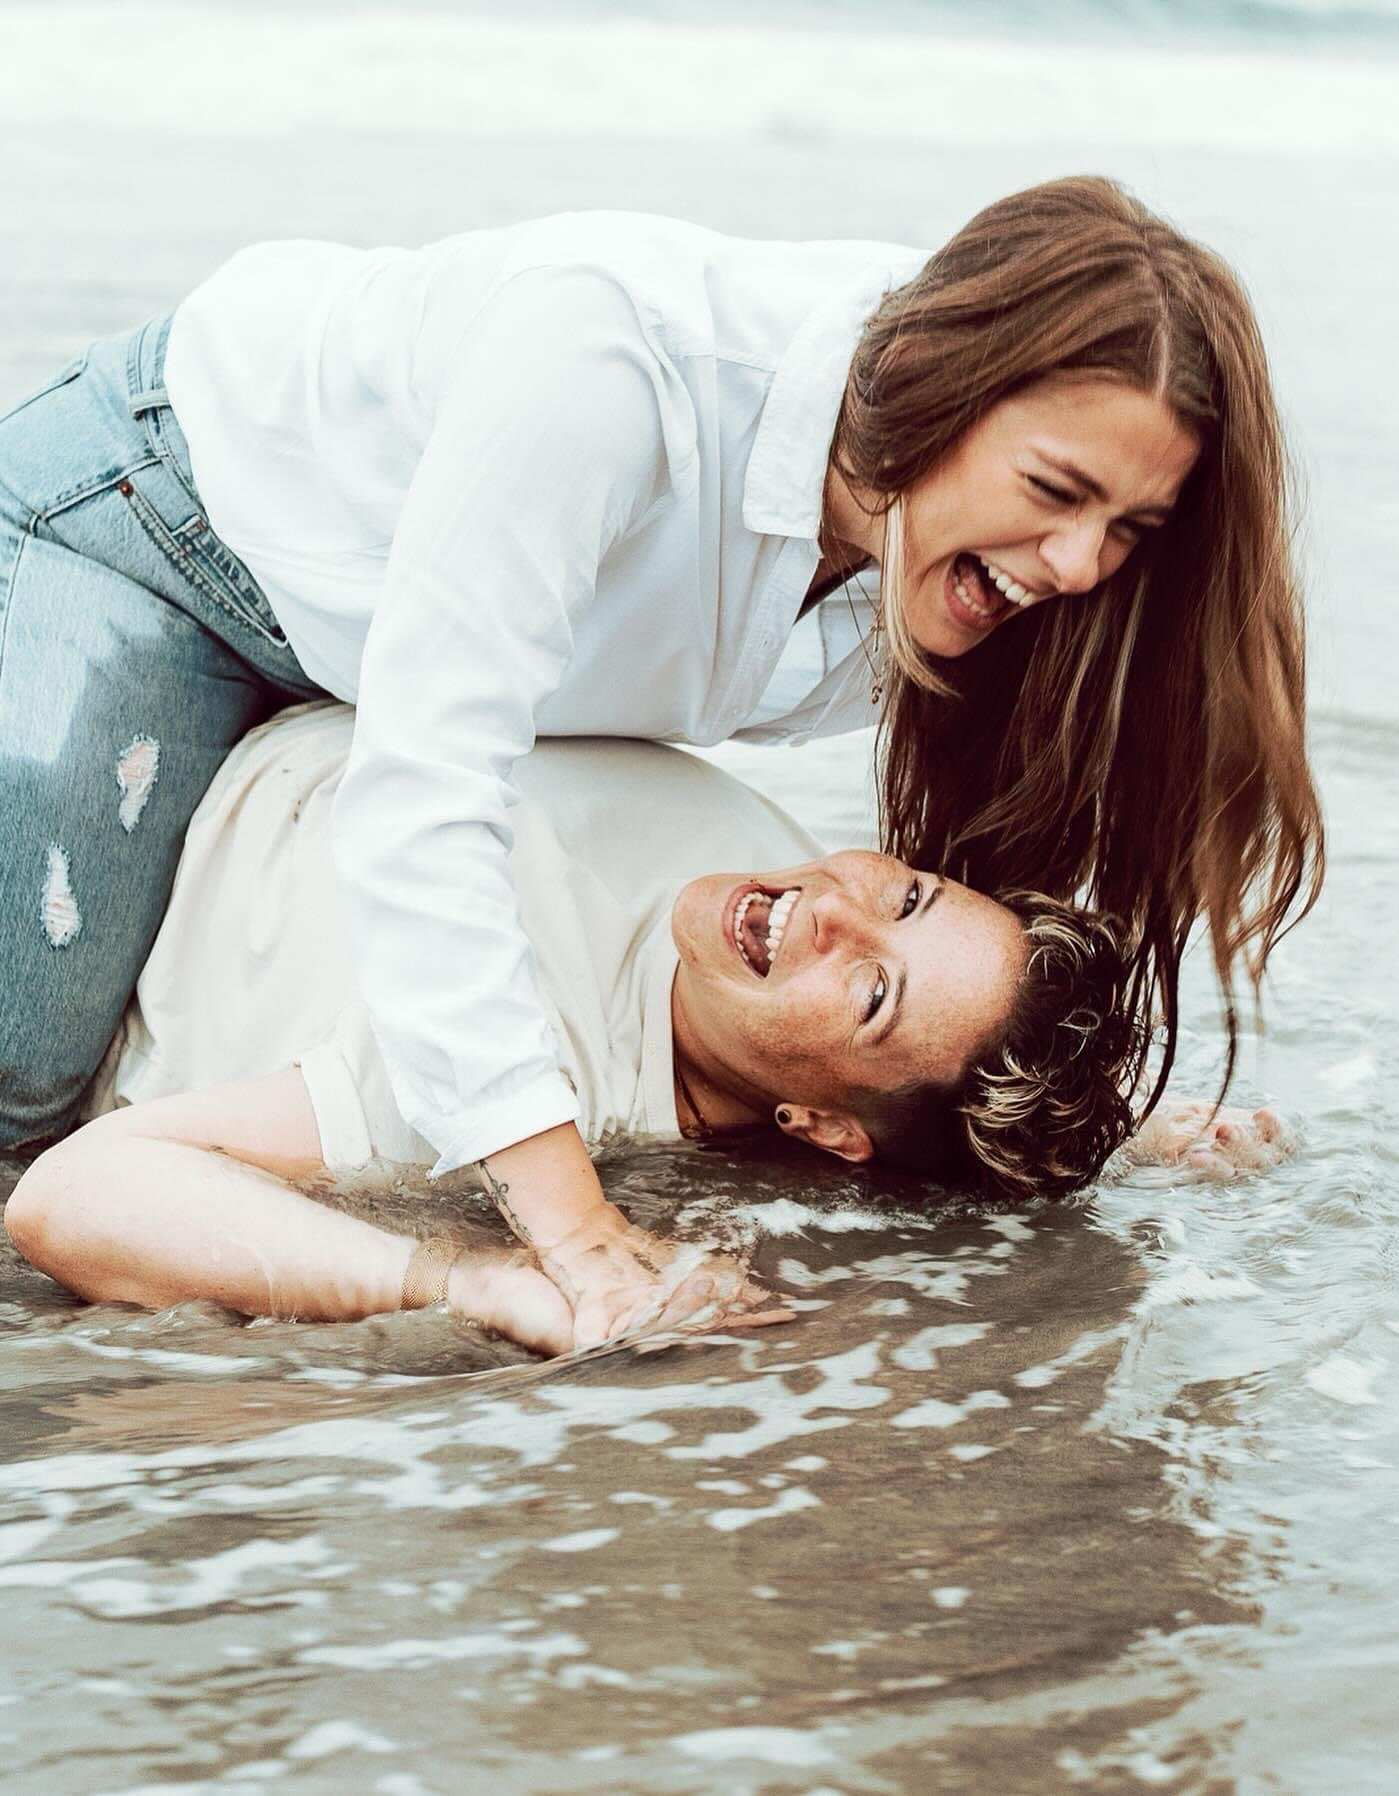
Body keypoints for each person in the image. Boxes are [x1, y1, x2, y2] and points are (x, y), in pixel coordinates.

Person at [0, 177, 1323, 1343]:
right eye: (1056, 492)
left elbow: (932, 1008)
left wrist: (1044, 1122)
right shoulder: (612, 370)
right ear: (936, 374)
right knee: (22, 1091)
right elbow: (427, 793)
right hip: (159, 525)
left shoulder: (955, 561)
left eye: (1129, 526)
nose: (1083, 565)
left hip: (371, 667)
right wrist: (565, 1240)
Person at [5, 706, 1286, 1354]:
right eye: (908, 893)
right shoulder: (709, 908)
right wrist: (471, 1279)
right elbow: (67, 1196)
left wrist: (1111, 1137)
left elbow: (68, 1194)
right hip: (136, 786)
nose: (830, 908)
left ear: (824, 1125)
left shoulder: (535, 1042)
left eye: (873, 989)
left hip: (168, 810)